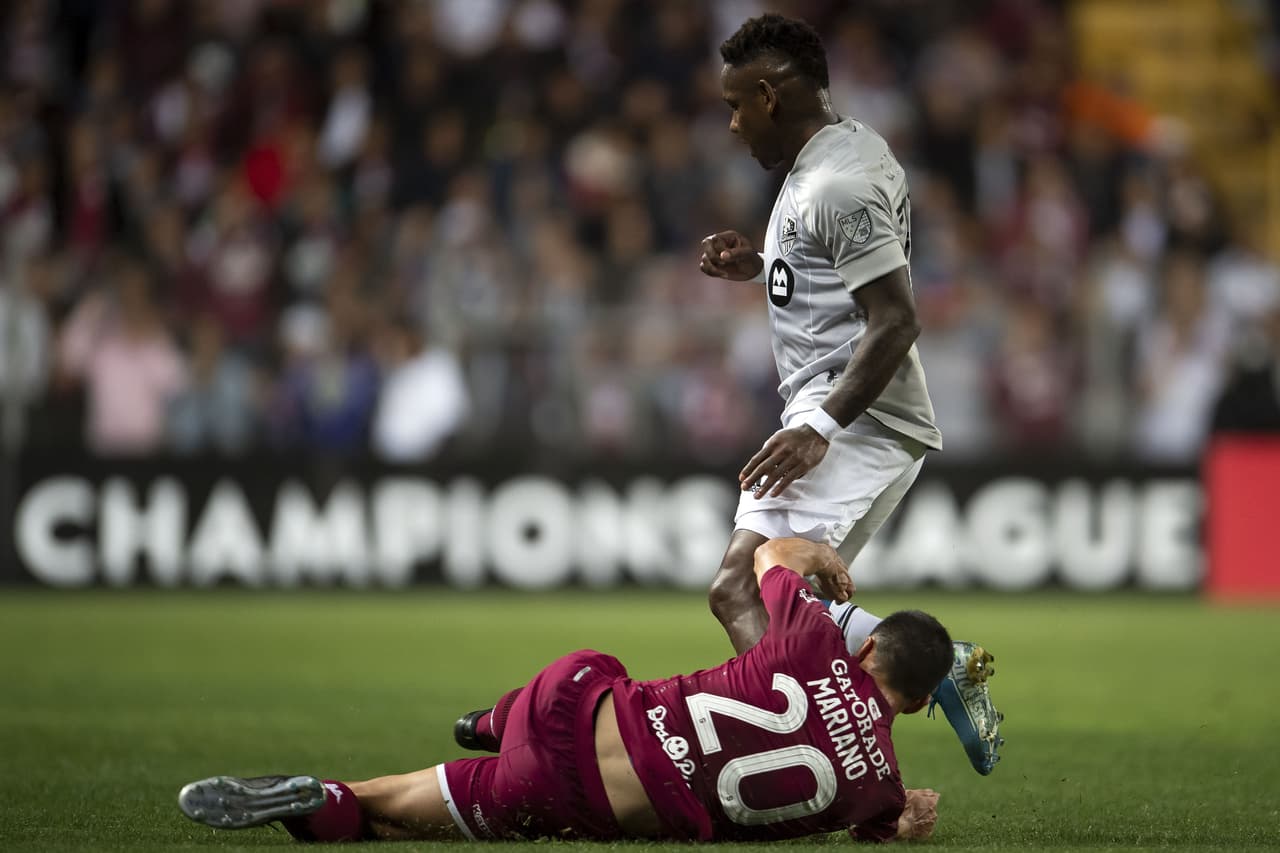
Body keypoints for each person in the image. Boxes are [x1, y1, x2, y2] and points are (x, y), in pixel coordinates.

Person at [179, 538, 948, 843]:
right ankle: (328, 797)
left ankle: (489, 716)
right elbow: (887, 827)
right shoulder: (875, 787)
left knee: (593, 665)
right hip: (569, 796)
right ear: (913, 705)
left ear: (870, 644)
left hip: (576, 701)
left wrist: (812, 553)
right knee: (390, 809)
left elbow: (769, 553)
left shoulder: (816, 639)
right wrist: (910, 810)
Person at [695, 14, 1001, 773]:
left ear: (770, 95)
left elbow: (896, 319)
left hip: (856, 416)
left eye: (736, 105)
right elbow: (837, 272)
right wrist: (763, 265)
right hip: (839, 409)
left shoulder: (839, 184)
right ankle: (936, 668)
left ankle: (817, 760)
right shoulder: (839, 156)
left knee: (742, 587)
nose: (733, 125)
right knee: (782, 602)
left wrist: (823, 426)